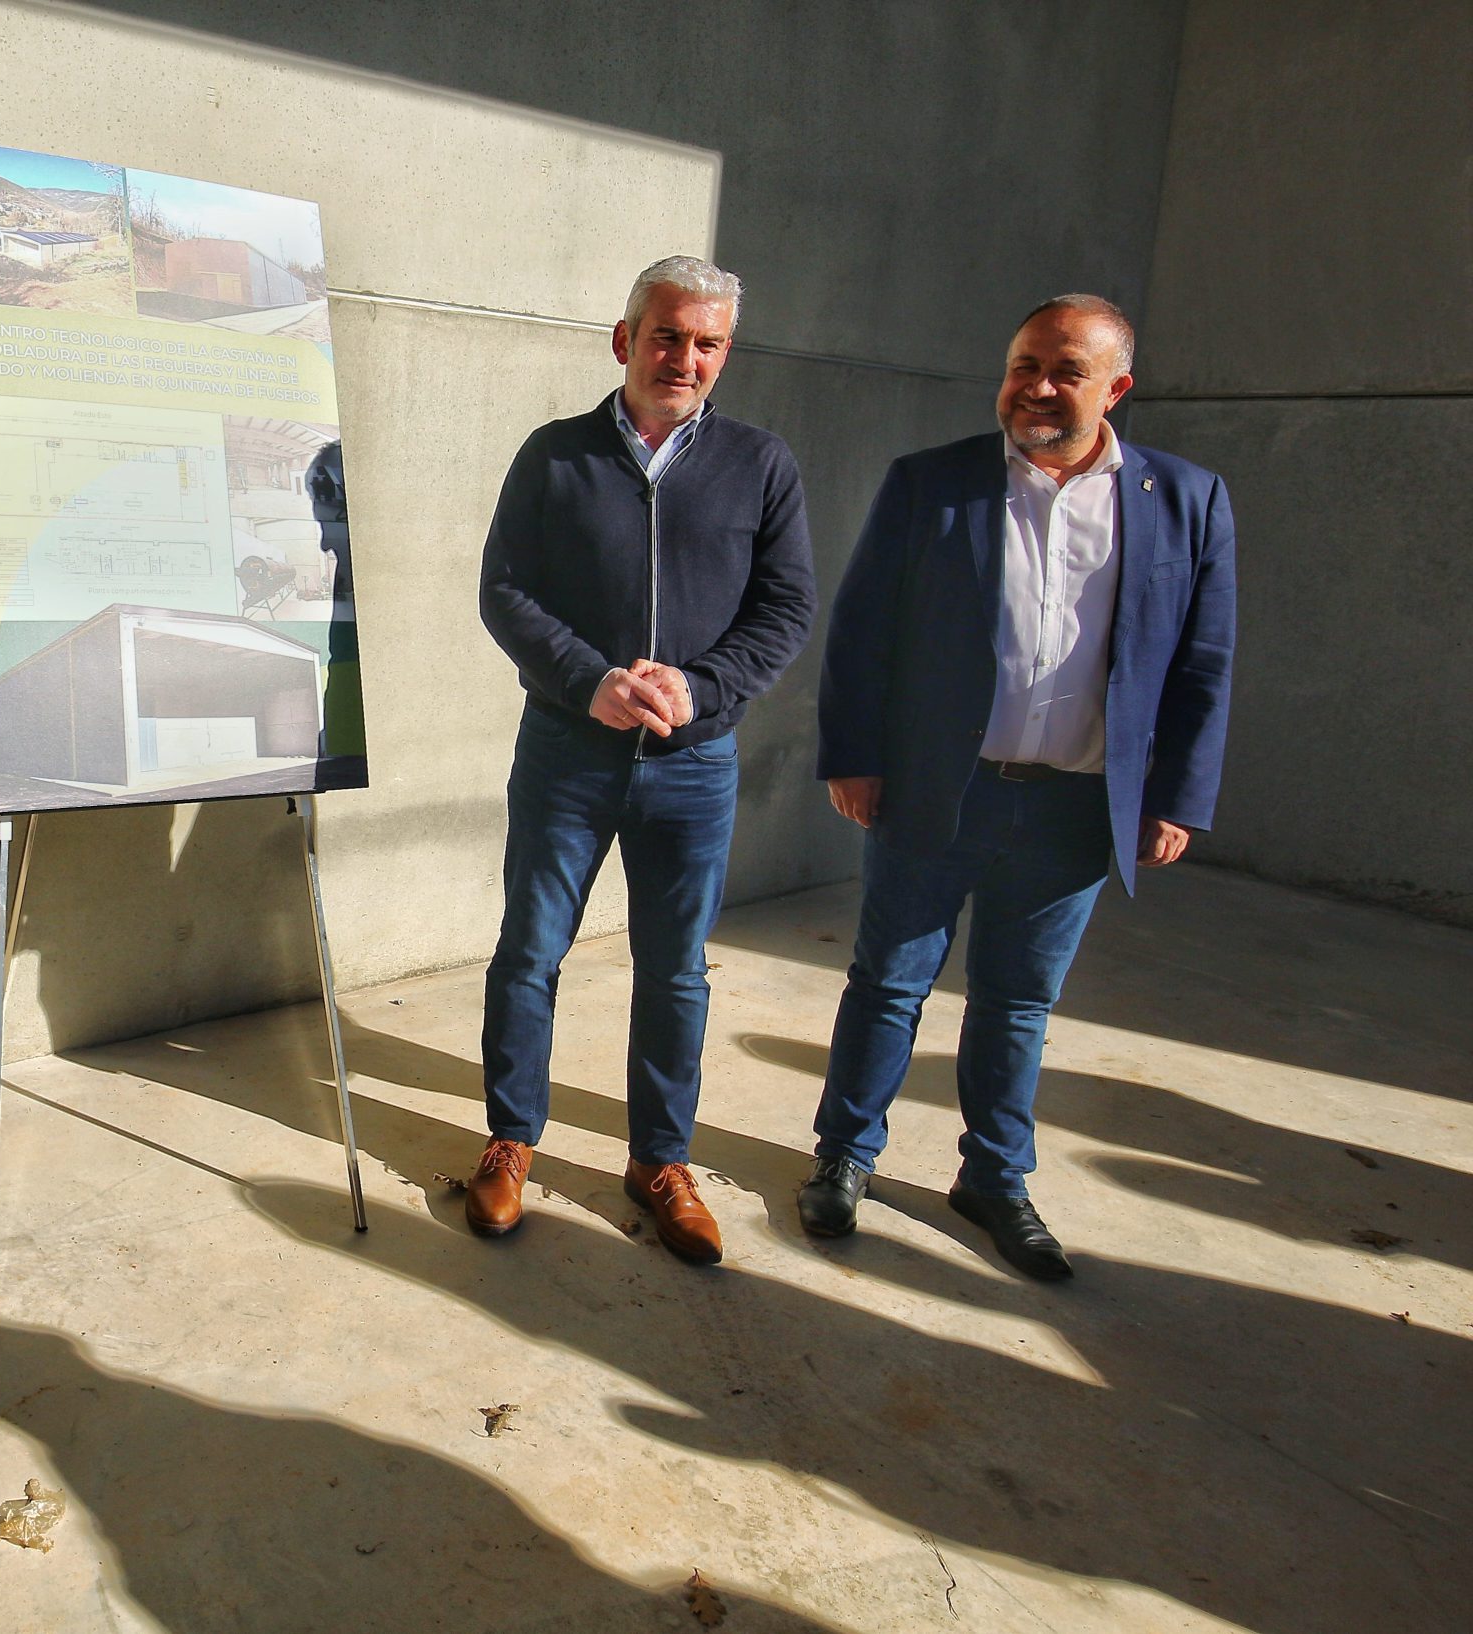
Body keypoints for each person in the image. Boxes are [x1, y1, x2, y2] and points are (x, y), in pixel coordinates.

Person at [802, 295, 1237, 1279]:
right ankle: (844, 1155)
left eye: (1065, 371)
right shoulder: (934, 483)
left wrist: (1177, 795)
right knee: (888, 981)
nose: (1036, 386)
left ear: (1116, 387)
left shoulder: (1186, 499)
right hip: (933, 789)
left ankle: (993, 1176)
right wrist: (853, 756)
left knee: (1015, 1000)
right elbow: (862, 630)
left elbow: (1203, 662)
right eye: (1021, 364)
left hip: (1075, 805)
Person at [472, 255, 815, 1261]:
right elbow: (504, 589)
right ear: (626, 339)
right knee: (529, 950)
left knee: (674, 971)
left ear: (724, 355)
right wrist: (589, 679)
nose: (685, 357)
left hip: (694, 762)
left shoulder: (761, 464)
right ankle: (508, 1138)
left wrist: (697, 686)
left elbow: (786, 607)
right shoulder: (555, 455)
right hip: (567, 750)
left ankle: (657, 1157)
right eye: (668, 335)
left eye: (707, 343)